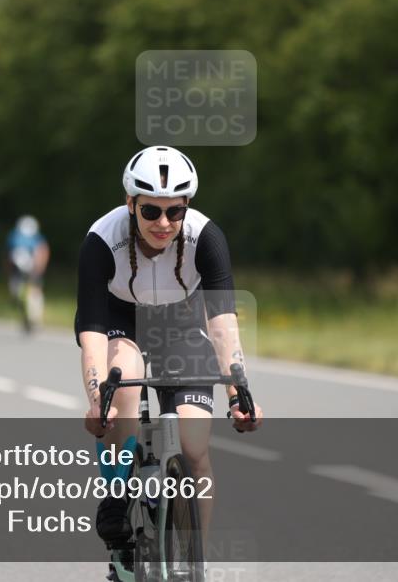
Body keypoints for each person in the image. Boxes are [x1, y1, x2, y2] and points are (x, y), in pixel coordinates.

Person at [75, 145, 263, 578]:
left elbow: (221, 320)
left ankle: (194, 562)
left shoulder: (207, 237)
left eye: (174, 212)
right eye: (151, 211)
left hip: (181, 324)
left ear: (187, 208)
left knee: (195, 447)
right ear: (131, 204)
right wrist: (95, 397)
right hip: (119, 321)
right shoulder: (102, 241)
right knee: (125, 383)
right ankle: (118, 497)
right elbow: (92, 331)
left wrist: (239, 389)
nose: (163, 223)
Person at [6, 215, 50, 333]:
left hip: (33, 270)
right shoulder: (14, 237)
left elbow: (43, 252)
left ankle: (34, 320)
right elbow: (9, 255)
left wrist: (38, 270)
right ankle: (24, 317)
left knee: (34, 295)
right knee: (16, 293)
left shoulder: (37, 239)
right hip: (17, 270)